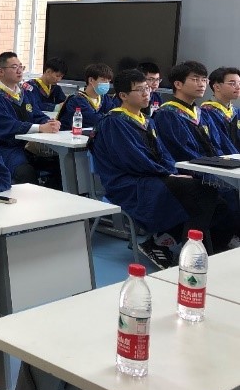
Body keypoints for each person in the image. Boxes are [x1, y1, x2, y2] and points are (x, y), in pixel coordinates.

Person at [89, 69, 233, 268]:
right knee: (201, 192)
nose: (146, 94)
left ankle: (167, 243)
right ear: (123, 95)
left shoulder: (147, 120)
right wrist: (168, 174)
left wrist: (173, 171)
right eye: (140, 90)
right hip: (128, 183)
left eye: (147, 89)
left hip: (152, 175)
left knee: (217, 200)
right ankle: (190, 259)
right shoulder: (114, 122)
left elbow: (163, 153)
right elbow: (134, 160)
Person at [0, 52, 61, 184]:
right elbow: (7, 125)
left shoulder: (25, 94)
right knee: (26, 172)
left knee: (59, 165)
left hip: (28, 146)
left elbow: (37, 114)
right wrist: (40, 128)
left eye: (21, 67)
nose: (19, 71)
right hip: (4, 149)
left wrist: (50, 122)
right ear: (0, 71)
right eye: (14, 67)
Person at [152, 61, 227, 163]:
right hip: (188, 168)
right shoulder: (166, 114)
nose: (202, 84)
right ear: (178, 84)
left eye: (204, 80)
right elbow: (180, 150)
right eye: (195, 79)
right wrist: (211, 165)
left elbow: (217, 145)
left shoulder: (203, 114)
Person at [57, 63, 114, 130]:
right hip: (69, 134)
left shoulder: (104, 97)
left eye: (108, 81)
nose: (107, 84)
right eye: (103, 80)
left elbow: (115, 113)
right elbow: (94, 119)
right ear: (91, 80)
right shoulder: (76, 99)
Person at [201, 66, 240, 155]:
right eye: (232, 83)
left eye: (239, 83)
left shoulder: (236, 112)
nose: (238, 87)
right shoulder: (206, 112)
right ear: (217, 87)